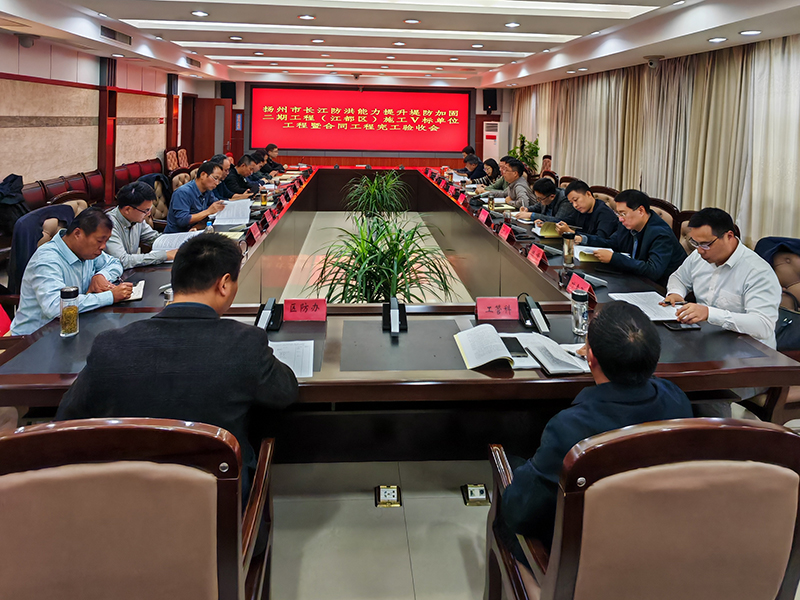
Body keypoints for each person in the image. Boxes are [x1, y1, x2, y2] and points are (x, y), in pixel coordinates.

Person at [55, 233, 299, 489]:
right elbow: (285, 391)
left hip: (126, 499)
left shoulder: (110, 345)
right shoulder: (245, 342)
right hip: (217, 502)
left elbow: (67, 419)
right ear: (224, 284)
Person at [499, 301, 693, 561]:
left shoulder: (569, 430)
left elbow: (519, 515)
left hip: (580, 561)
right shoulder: (678, 401)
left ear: (590, 358)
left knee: (512, 482)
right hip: (658, 548)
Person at [663, 207, 781, 346]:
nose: (700, 250)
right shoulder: (698, 257)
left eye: (705, 244)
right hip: (708, 338)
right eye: (695, 243)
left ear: (729, 236)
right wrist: (676, 293)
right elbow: (679, 278)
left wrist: (709, 314)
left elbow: (763, 325)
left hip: (749, 349)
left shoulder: (758, 272)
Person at [10, 208, 132, 336]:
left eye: (106, 241)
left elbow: (115, 263)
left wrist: (100, 276)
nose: (103, 247)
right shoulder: (47, 260)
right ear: (77, 233)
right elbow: (55, 306)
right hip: (34, 338)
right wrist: (110, 296)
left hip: (72, 327)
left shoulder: (87, 252)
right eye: (99, 241)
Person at [576, 190, 687, 286]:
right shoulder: (627, 224)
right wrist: (584, 239)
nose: (620, 219)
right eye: (618, 214)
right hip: (633, 278)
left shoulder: (661, 234)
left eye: (623, 214)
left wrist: (614, 258)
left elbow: (653, 271)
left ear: (641, 211)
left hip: (660, 288)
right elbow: (612, 243)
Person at [106, 182, 177, 269]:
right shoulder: (108, 225)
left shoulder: (136, 218)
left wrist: (180, 241)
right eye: (146, 210)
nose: (148, 214)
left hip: (131, 270)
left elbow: (154, 238)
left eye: (150, 209)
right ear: (127, 209)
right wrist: (164, 256)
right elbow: (123, 260)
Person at [165, 161, 226, 233]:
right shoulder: (183, 193)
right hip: (177, 234)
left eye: (219, 180)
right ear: (203, 175)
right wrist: (208, 211)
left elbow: (215, 204)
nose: (217, 183)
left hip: (197, 229)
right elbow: (182, 220)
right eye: (215, 178)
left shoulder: (207, 190)